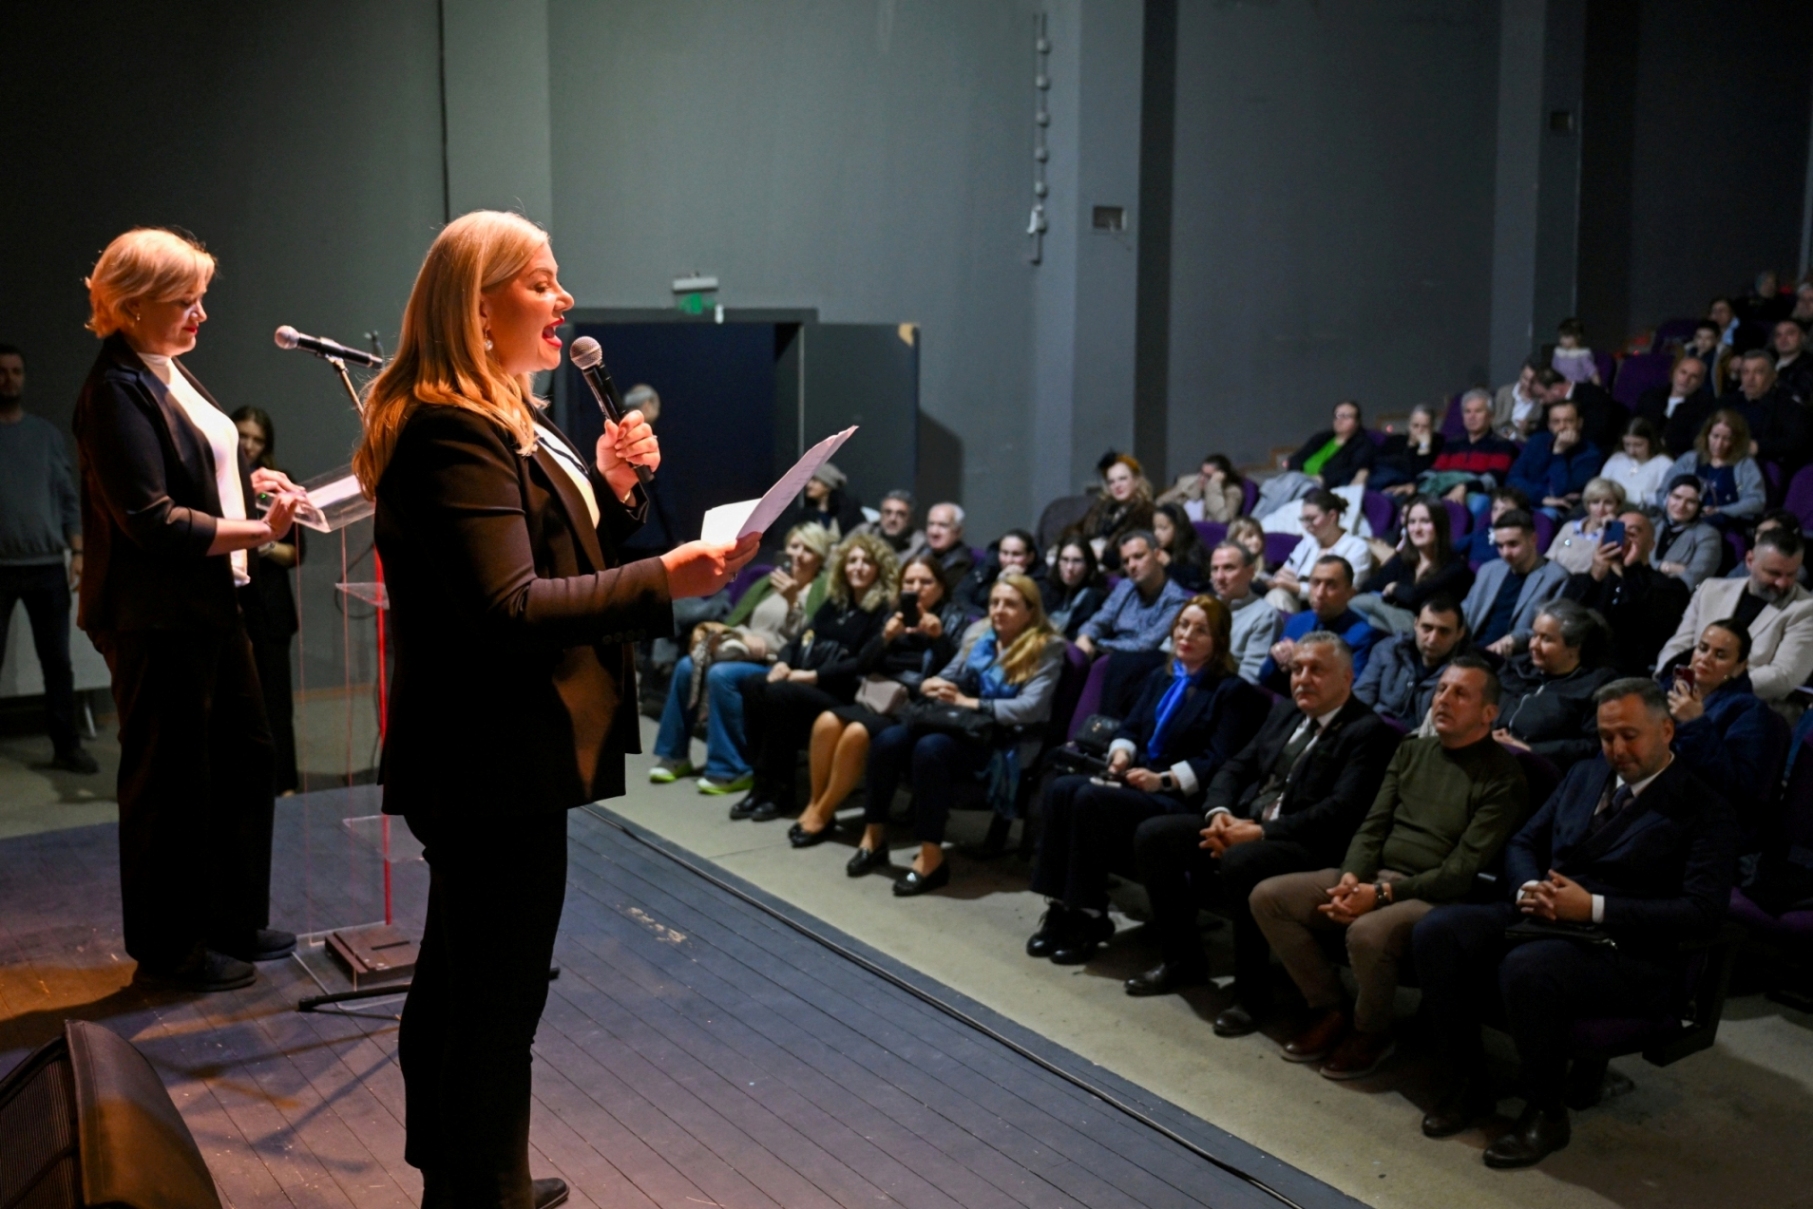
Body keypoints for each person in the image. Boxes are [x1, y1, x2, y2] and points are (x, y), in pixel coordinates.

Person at [353, 211, 756, 1205]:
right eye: (540, 281)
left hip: (492, 750)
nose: (563, 298)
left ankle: (468, 1172)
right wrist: (664, 574)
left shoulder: (500, 416)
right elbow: (511, 607)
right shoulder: (456, 426)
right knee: (493, 997)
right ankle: (481, 1188)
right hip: (494, 753)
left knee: (461, 979)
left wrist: (612, 492)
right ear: (478, 307)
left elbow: (542, 559)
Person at [75, 229, 307, 994]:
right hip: (156, 619)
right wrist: (260, 531)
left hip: (213, 604)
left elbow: (208, 467)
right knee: (169, 785)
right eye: (185, 301)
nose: (202, 313)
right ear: (130, 306)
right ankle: (170, 946)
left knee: (246, 758)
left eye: (202, 297)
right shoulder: (114, 391)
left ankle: (232, 918)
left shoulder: (167, 371)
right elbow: (150, 519)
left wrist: (255, 479)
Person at [1412, 679, 1733, 1168]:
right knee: (1438, 932)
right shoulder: (1585, 774)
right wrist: (1527, 889)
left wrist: (1594, 907)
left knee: (1529, 968)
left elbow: (1702, 913)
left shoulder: (1704, 808)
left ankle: (1546, 1110)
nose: (1616, 749)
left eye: (1630, 736)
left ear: (1667, 730)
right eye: (1607, 737)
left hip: (1630, 948)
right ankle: (1469, 1082)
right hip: (1547, 916)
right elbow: (1523, 844)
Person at [1248, 657, 1529, 1078]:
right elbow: (1373, 825)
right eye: (1441, 690)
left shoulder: (1504, 776)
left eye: (1460, 693)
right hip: (1374, 877)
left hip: (1435, 896)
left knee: (1367, 933)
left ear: (1489, 713)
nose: (1444, 700)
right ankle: (1330, 1007)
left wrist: (1378, 896)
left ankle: (1371, 1032)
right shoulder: (1412, 750)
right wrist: (1351, 879)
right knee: (1269, 897)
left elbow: (1461, 871)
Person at [1127, 633, 1400, 1021]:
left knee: (1242, 861)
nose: (1303, 678)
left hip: (1311, 844)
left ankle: (1252, 994)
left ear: (1347, 678)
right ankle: (1182, 959)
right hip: (1249, 825)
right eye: (1297, 669)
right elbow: (1237, 766)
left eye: (1316, 670)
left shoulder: (1367, 731)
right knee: (1155, 836)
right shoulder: (1287, 712)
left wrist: (1259, 833)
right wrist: (1218, 814)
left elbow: (1341, 812)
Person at [1024, 597, 1264, 964]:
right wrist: (1121, 753)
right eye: (1183, 625)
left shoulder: (1231, 691)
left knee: (1090, 799)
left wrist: (1162, 780)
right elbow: (1131, 728)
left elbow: (1218, 760)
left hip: (1179, 798)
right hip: (1139, 781)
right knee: (1061, 789)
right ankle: (1060, 905)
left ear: (1219, 639)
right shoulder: (1163, 676)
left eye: (1200, 630)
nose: (1187, 635)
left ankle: (1089, 914)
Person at [852, 573, 1064, 894]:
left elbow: (1030, 708)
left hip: (1002, 739)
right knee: (888, 739)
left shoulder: (1046, 648)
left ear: (1030, 611)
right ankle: (873, 836)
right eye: (994, 602)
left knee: (930, 748)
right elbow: (950, 673)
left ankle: (931, 857)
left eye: (1010, 604)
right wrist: (930, 684)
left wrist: (971, 702)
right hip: (964, 726)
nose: (999, 610)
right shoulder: (983, 637)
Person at [787, 552, 964, 846]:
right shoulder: (892, 613)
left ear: (941, 587)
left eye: (925, 581)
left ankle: (823, 811)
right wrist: (885, 637)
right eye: (910, 581)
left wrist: (938, 637)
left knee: (856, 733)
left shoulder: (952, 618)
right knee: (827, 722)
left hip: (912, 703)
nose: (917, 588)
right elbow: (863, 664)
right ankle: (816, 804)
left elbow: (954, 673)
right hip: (875, 694)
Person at [649, 523, 829, 793]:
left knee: (721, 675)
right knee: (688, 665)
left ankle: (730, 768)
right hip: (741, 649)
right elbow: (739, 617)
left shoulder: (820, 591)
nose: (798, 554)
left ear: (820, 557)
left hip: (775, 661)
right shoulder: (769, 583)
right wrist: (733, 635)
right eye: (794, 546)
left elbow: (808, 639)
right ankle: (674, 756)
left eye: (807, 549)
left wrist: (794, 603)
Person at [732, 532, 898, 822]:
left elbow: (861, 664)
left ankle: (782, 791)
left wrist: (812, 676)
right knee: (754, 683)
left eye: (866, 561)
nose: (857, 567)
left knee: (779, 694)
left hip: (843, 693)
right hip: (807, 682)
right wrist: (782, 664)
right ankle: (762, 784)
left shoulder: (882, 611)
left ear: (879, 568)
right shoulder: (836, 603)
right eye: (852, 560)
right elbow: (799, 640)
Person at [0, 342, 94, 774]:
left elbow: (68, 498)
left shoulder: (45, 435)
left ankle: (67, 746)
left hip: (45, 568)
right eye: (2, 371)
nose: (10, 379)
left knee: (57, 661)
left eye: (16, 371)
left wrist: (77, 551)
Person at [228, 407, 302, 794]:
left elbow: (296, 554)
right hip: (233, 607)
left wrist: (263, 538)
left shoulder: (281, 485)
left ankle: (285, 783)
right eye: (242, 435)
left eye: (257, 439)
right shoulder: (221, 483)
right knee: (235, 705)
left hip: (272, 609)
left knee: (276, 703)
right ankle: (243, 783)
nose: (249, 445)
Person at [1655, 526, 1813, 701]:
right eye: (1773, 573)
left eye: (1791, 574)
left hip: (1746, 707)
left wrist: (1709, 685)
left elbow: (1783, 676)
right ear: (1750, 560)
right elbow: (1678, 645)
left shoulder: (1805, 609)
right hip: (1683, 693)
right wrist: (1673, 680)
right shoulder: (1711, 590)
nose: (1782, 583)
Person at [1665, 619, 1783, 847]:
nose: (1705, 659)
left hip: (1703, 822)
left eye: (1720, 655)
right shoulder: (1669, 690)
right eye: (1703, 648)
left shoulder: (1749, 711)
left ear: (1739, 667)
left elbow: (1735, 786)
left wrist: (1695, 724)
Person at [1074, 530, 1192, 715]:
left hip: (1144, 664)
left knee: (1121, 663)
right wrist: (1085, 637)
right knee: (1071, 652)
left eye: (1138, 557)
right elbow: (1100, 620)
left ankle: (1100, 731)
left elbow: (1146, 643)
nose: (1132, 566)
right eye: (1126, 561)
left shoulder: (1175, 600)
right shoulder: (1125, 586)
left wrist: (1099, 646)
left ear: (1158, 555)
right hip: (1114, 655)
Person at [1559, 509, 1688, 676]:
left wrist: (1631, 570)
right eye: (1619, 531)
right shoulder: (1588, 580)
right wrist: (1595, 575)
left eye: (1633, 533)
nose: (1625, 538)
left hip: (1629, 672)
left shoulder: (1669, 587)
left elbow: (1644, 631)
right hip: (1577, 668)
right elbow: (1564, 617)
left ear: (1651, 544)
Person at [1494, 599, 1617, 770]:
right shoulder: (1516, 668)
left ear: (1574, 647)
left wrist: (1532, 750)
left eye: (1546, 639)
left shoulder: (1595, 686)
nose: (1533, 645)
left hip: (1539, 770)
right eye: (1534, 635)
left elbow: (1592, 744)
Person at [1255, 555, 1378, 690]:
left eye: (1331, 585)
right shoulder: (1298, 621)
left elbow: (1350, 689)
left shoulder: (1363, 634)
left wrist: (1299, 664)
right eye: (1315, 583)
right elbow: (1264, 678)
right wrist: (1276, 657)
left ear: (1350, 593)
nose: (1319, 593)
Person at [1354, 495, 1472, 635]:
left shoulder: (1455, 567)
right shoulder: (1403, 560)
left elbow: (1416, 598)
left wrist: (1394, 588)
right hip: (1390, 627)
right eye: (1412, 522)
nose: (1416, 529)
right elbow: (1368, 586)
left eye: (1425, 521)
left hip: (1428, 633)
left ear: (1440, 525)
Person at [1459, 510, 1570, 655]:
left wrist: (1517, 639)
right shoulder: (1489, 570)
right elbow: (1466, 609)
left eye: (1513, 544)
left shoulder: (1556, 577)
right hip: (1471, 649)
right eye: (1500, 546)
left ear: (1533, 539)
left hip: (1515, 658)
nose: (1505, 552)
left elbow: (1553, 629)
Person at [1354, 597, 1467, 728]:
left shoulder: (1467, 674)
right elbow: (1361, 697)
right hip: (1373, 730)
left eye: (1444, 631)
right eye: (1427, 628)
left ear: (1460, 633)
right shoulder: (1388, 649)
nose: (1432, 639)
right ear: (1416, 624)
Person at [1265, 490, 1374, 614]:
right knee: (1276, 595)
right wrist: (1283, 580)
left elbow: (1345, 593)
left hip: (1334, 609)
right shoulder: (1309, 542)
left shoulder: (1356, 547)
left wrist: (1296, 586)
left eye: (1312, 519)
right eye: (1304, 519)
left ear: (1332, 516)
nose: (1306, 525)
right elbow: (1286, 572)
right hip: (1301, 603)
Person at [1507, 397, 1605, 519]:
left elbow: (1560, 491)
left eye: (1568, 421)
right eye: (1556, 422)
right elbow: (1512, 478)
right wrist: (1542, 497)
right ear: (1549, 425)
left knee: (1547, 515)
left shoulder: (1590, 454)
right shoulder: (1537, 441)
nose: (1562, 426)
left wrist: (1559, 453)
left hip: (1557, 509)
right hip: (1527, 500)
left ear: (1579, 423)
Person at [1420, 389, 1521, 504]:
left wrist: (1464, 488)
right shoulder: (1452, 443)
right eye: (1467, 412)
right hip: (1443, 491)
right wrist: (1413, 484)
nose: (1471, 416)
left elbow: (1493, 480)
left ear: (1490, 416)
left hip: (1477, 494)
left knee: (1479, 502)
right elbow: (1435, 471)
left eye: (1478, 411)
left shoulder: (1502, 445)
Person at [1670, 408, 1766, 528]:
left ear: (1736, 441)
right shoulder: (1690, 459)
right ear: (1707, 435)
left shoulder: (1745, 465)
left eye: (1726, 439)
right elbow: (1665, 491)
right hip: (1684, 516)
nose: (1719, 444)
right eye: (1715, 436)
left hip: (1723, 523)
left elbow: (1756, 501)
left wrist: (1720, 510)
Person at [1065, 453, 1156, 571]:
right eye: (1111, 482)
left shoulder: (1146, 513)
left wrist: (1101, 555)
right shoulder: (1101, 508)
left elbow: (1136, 557)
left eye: (1122, 479)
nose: (1117, 485)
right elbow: (1077, 531)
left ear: (1136, 480)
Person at [1209, 541, 1283, 683]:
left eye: (1228, 568)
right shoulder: (1201, 606)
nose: (1219, 577)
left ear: (1250, 572)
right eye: (1214, 569)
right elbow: (1168, 651)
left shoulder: (1264, 616)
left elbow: (1248, 679)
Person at [1727, 349, 1810, 471]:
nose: (1750, 378)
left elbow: (1797, 443)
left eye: (1759, 372)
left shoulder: (1790, 408)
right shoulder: (1726, 402)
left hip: (1766, 469)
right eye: (1745, 372)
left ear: (1773, 376)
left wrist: (1758, 447)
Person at [1545, 477, 1627, 576]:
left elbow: (1615, 571)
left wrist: (1611, 528)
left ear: (1617, 506)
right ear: (1588, 504)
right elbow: (1549, 558)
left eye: (1608, 503)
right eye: (1595, 502)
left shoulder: (1617, 534)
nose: (1600, 508)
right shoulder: (1569, 528)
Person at [1653, 475, 1723, 590]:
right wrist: (1666, 567)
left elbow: (1695, 578)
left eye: (1691, 501)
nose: (1681, 506)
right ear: (1667, 497)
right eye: (1677, 497)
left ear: (1699, 506)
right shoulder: (1652, 525)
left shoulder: (1708, 535)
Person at [1286, 399, 1375, 488]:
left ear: (1357, 422)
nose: (1340, 420)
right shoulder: (1321, 437)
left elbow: (1353, 469)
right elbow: (1295, 459)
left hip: (1321, 487)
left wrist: (1324, 478)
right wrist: (1300, 476)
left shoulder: (1362, 444)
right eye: (1337, 416)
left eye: (1346, 416)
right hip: (1298, 480)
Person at [1634, 354, 1712, 456]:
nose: (1685, 379)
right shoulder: (1650, 397)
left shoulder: (1704, 407)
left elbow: (1695, 441)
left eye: (1693, 376)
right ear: (1674, 372)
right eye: (1683, 372)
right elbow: (1633, 425)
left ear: (1700, 382)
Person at [1534, 365, 1621, 454]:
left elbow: (1595, 435)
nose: (1541, 402)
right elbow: (1539, 433)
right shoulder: (1549, 404)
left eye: (1542, 396)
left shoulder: (1594, 396)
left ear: (1556, 389)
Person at [954, 527, 1043, 613]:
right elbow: (960, 594)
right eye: (1004, 553)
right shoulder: (988, 566)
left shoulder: (1042, 580)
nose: (1009, 560)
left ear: (1030, 557)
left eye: (1016, 554)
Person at [1599, 417, 1675, 508]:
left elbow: (1665, 498)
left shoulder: (1664, 464)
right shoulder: (1617, 458)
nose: (1631, 451)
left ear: (1651, 442)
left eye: (1638, 445)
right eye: (1627, 444)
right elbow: (1600, 487)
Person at [1041, 538, 1108, 639]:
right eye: (1064, 559)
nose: (1069, 567)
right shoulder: (1046, 587)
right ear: (1058, 562)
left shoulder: (1095, 596)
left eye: (1077, 561)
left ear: (1088, 565)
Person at [1372, 402, 1444, 495]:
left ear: (1432, 428)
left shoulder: (1438, 444)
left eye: (1425, 427)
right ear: (1409, 425)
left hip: (1415, 489)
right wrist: (1410, 446)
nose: (1419, 430)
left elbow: (1423, 473)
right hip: (1386, 482)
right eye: (1415, 426)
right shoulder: (1395, 441)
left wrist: (1424, 446)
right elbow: (1380, 463)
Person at [1156, 452, 1244, 522]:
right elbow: (1159, 503)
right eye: (1201, 473)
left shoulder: (1232, 492)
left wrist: (1213, 487)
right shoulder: (1190, 482)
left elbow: (1223, 519)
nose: (1202, 479)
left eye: (1208, 477)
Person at [1460, 486, 1530, 568]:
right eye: (1495, 509)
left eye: (1505, 510)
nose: (1498, 514)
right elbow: (1453, 549)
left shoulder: (1519, 542)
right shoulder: (1481, 533)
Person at [851, 489, 927, 560]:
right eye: (888, 512)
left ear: (910, 519)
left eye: (900, 514)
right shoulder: (865, 532)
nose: (892, 519)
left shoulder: (919, 543)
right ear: (881, 515)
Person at [1151, 502, 1210, 591]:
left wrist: (1169, 565)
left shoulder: (1193, 549)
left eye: (1163, 528)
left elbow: (1194, 583)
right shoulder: (1157, 549)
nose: (1156, 533)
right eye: (1154, 528)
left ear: (1178, 528)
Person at [923, 501, 974, 585]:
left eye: (943, 525)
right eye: (931, 524)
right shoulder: (923, 552)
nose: (934, 532)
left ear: (958, 531)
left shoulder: (960, 564)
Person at [1493, 360, 1545, 441]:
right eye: (1525, 379)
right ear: (1520, 374)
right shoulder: (1504, 393)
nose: (1528, 385)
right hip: (1501, 441)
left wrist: (1528, 429)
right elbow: (1496, 425)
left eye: (1533, 382)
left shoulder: (1542, 401)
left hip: (1526, 445)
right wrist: (1512, 436)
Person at [1549, 317, 1599, 385]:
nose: (1561, 340)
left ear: (1578, 336)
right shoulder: (1558, 353)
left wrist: (1598, 390)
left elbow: (1593, 374)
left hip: (1577, 389)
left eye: (1566, 336)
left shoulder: (1582, 355)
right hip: (1559, 389)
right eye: (1561, 336)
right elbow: (1553, 372)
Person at [1774, 318, 1813, 404]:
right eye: (1778, 335)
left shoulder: (1809, 366)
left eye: (1790, 333)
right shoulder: (1767, 359)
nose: (1783, 339)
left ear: (1803, 337)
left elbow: (1801, 396)